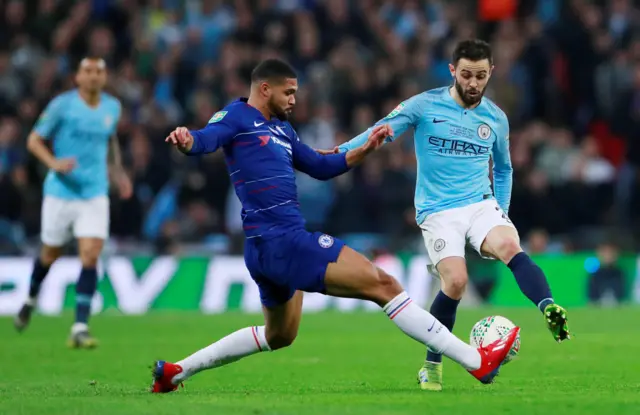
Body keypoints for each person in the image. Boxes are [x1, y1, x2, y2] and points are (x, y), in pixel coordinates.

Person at [152, 58, 519, 393]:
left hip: (265, 249)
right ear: (265, 89)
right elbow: (204, 139)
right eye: (289, 92)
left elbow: (322, 166)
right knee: (384, 284)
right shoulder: (236, 117)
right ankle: (477, 361)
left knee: (279, 335)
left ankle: (176, 372)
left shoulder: (282, 129)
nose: (295, 99)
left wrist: (367, 148)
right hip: (284, 241)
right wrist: (187, 140)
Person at [330, 40, 570, 392]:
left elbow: (504, 170)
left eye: (481, 76)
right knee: (455, 282)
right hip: (438, 211)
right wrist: (336, 155)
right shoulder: (424, 106)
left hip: (480, 203)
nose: (474, 83)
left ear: (492, 74)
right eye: (468, 74)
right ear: (453, 71)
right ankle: (432, 365)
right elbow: (379, 130)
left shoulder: (495, 118)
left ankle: (548, 306)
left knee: (508, 244)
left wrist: (500, 211)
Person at [14, 57, 132, 348]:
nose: (93, 77)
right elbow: (33, 140)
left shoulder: (112, 108)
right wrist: (53, 163)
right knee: (50, 253)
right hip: (61, 192)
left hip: (94, 192)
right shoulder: (62, 106)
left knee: (90, 254)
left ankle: (80, 326)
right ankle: (30, 298)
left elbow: (110, 142)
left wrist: (118, 173)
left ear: (104, 78)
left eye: (99, 72)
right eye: (87, 72)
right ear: (77, 77)